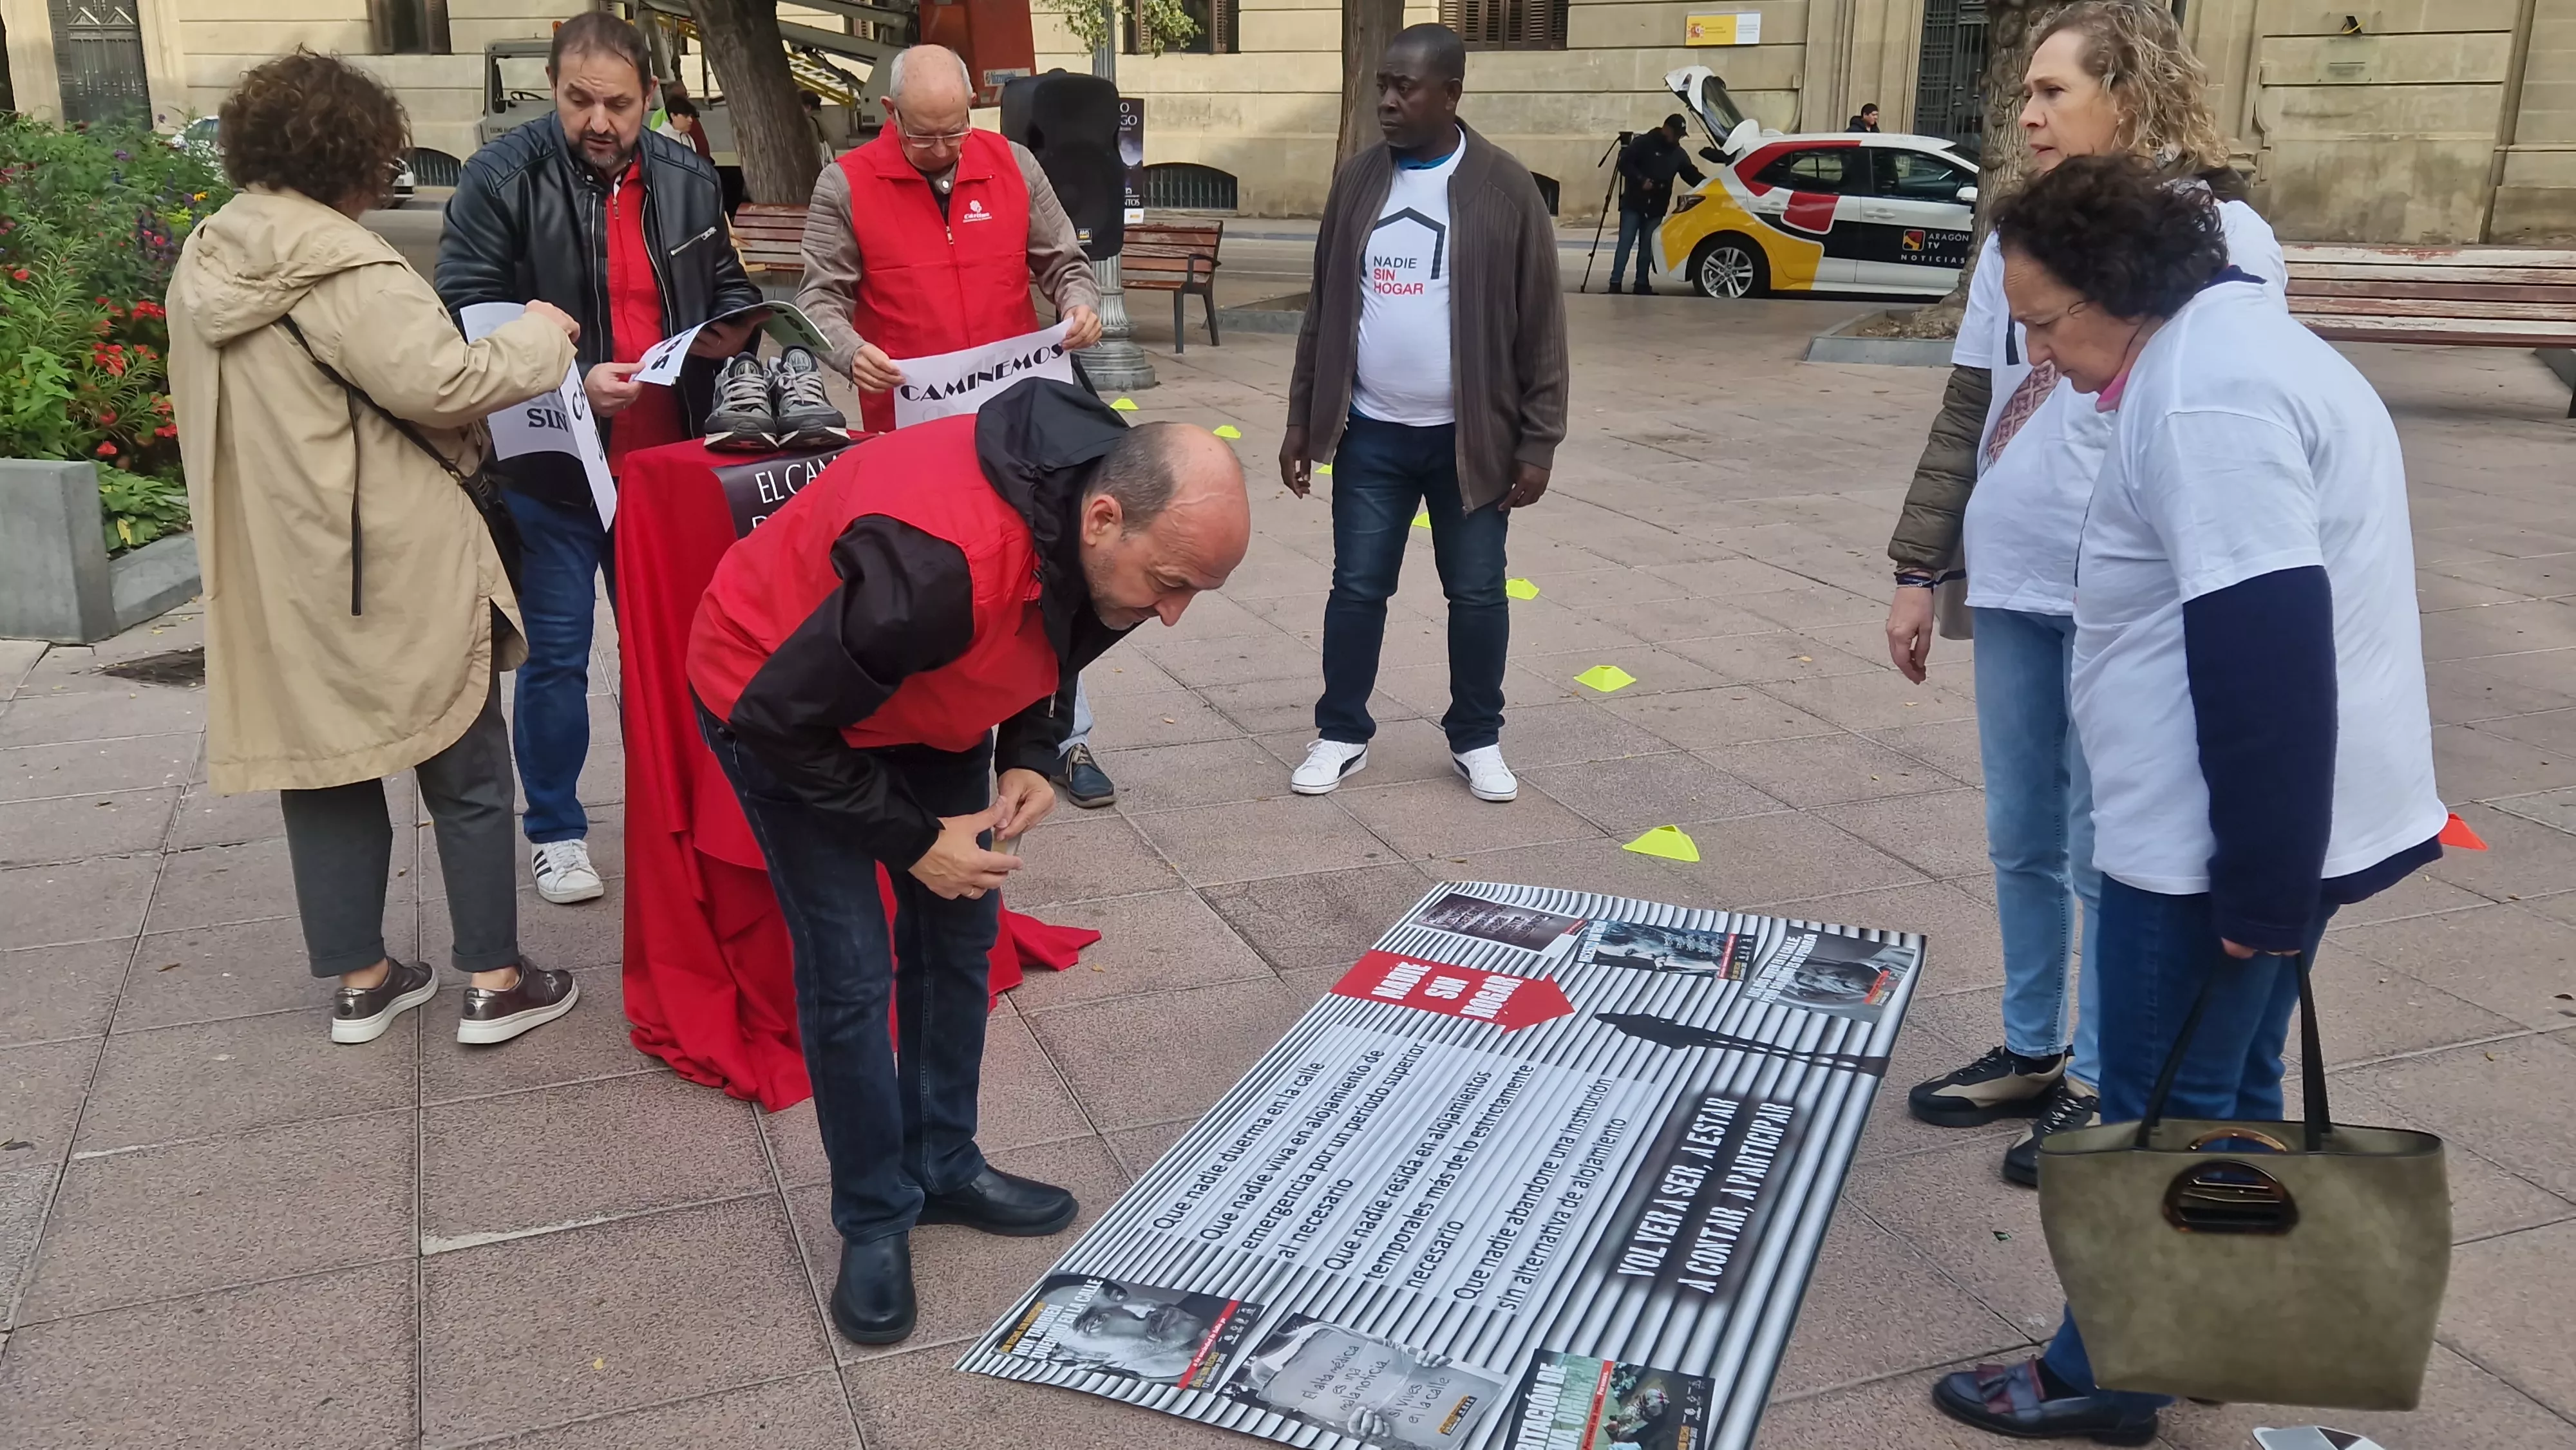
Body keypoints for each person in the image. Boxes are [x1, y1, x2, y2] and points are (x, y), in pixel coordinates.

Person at [1932, 152, 2447, 1445]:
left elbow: (2265, 650)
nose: (2038, 352)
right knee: (2225, 1084)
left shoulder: (2202, 398)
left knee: (2159, 1113)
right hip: (2272, 829)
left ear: (2118, 288)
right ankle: (2218, 1317)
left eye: (2047, 321)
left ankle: (2099, 1373)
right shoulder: (2231, 353)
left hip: (2208, 847)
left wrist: (2258, 890)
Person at [687, 379, 1249, 1346]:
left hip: (926, 683)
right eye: (1170, 583)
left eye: (1196, 590)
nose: (1172, 615)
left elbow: (1065, 620)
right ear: (1104, 518)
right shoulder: (936, 568)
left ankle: (942, 1164)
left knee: (959, 936)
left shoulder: (1100, 498)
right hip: (776, 694)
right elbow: (781, 723)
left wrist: (1030, 749)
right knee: (850, 969)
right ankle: (874, 1215)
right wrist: (913, 843)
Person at [1883, 0, 2286, 1189]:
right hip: (2012, 572)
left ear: (2132, 93)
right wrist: (1917, 570)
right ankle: (2032, 1043)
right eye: (2026, 92)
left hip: (2131, 591)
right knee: (2022, 829)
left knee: (2114, 842)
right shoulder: (2020, 235)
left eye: (2053, 90)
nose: (2028, 113)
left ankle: (2107, 1077)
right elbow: (1968, 406)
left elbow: (2233, 415)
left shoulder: (2220, 234)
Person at [167, 52, 586, 1046]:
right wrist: (540, 337)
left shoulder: (205, 260)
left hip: (277, 558)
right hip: (394, 551)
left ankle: (362, 980)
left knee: (324, 762)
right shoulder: (347, 266)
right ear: (360, 153)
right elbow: (443, 385)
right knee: (465, 760)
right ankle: (495, 980)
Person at [438, 12, 765, 908]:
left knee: (680, 650)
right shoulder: (500, 177)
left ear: (649, 96)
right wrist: (570, 377)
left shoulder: (687, 176)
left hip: (664, 462)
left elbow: (723, 280)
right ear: (551, 86)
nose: (598, 121)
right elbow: (463, 307)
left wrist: (738, 319)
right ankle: (556, 832)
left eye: (618, 104)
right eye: (579, 100)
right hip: (550, 460)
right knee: (556, 657)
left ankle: (687, 814)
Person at [796, 44, 1122, 809]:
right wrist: (849, 352)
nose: (944, 149)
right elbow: (818, 299)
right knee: (937, 586)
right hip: (912, 428)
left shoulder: (1013, 164)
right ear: (889, 115)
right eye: (924, 135)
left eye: (956, 130)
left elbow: (1064, 261)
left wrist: (1078, 304)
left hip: (1019, 421)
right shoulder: (846, 183)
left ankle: (1059, 739)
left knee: (1049, 578)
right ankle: (932, 742)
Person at [1280, 23, 1569, 807]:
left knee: (1476, 593)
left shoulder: (1504, 187)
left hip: (1470, 441)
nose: (1386, 100)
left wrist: (1538, 441)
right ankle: (1341, 732)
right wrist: (1302, 419)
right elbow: (1323, 310)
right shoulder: (1358, 180)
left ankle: (1476, 737)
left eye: (1404, 87)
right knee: (1355, 588)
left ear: (1450, 94)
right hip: (1370, 433)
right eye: (1383, 85)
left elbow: (1542, 327)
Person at [1610, 114, 1704, 296]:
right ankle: (1615, 282)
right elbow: (1625, 164)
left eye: (1680, 136)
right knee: (1625, 243)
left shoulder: (1678, 154)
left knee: (1647, 247)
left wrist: (1711, 184)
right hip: (1634, 203)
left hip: (1656, 207)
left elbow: (1691, 175)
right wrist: (1641, 180)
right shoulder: (1643, 144)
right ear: (1666, 129)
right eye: (1676, 134)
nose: (1677, 139)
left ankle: (1642, 283)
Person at [659, 93, 714, 164]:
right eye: (686, 116)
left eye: (691, 116)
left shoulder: (688, 138)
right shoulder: (660, 137)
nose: (691, 120)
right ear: (673, 116)